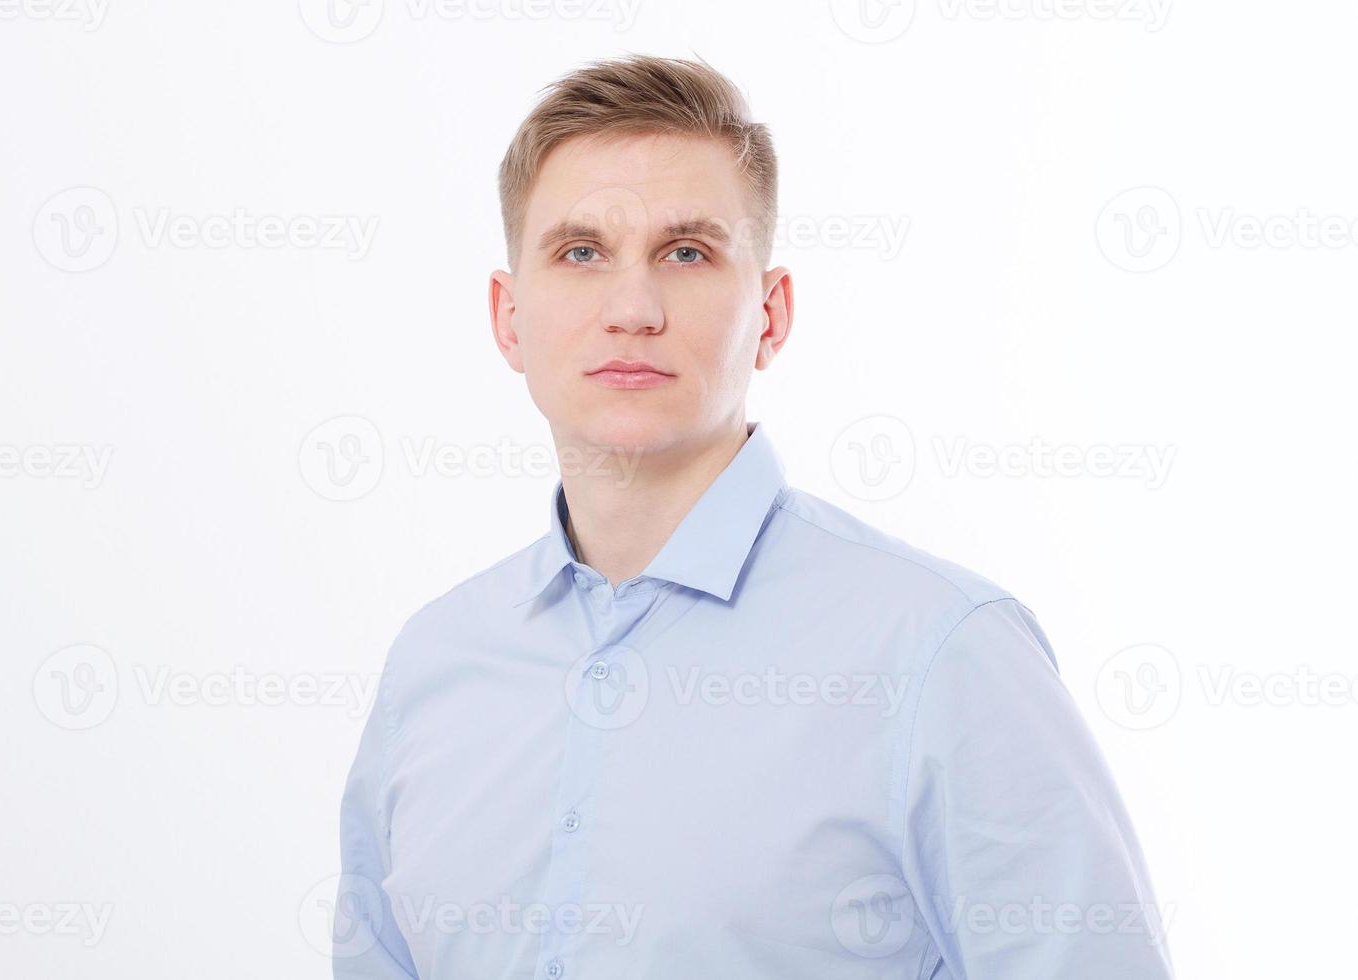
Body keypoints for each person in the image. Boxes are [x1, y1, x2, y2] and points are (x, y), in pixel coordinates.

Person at [335, 53, 1173, 979]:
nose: (632, 307)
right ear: (507, 319)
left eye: (686, 252)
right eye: (580, 253)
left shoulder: (944, 657)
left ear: (771, 315)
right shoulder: (432, 668)